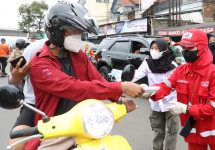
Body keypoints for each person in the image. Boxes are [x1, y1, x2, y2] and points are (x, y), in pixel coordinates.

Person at [25, 2, 144, 150]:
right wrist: (121, 86)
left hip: (86, 124)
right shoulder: (40, 64)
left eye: (80, 32)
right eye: (74, 31)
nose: (79, 36)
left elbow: (97, 79)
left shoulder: (78, 55)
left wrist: (119, 98)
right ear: (57, 31)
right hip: (56, 132)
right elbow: (75, 88)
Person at [151, 29, 215, 150]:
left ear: (203, 48)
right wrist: (147, 90)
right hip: (194, 129)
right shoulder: (181, 71)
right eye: (183, 48)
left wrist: (186, 109)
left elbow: (214, 107)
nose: (185, 52)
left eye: (189, 48)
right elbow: (164, 87)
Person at [132, 38, 179, 150]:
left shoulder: (172, 65)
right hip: (155, 103)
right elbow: (136, 75)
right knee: (158, 131)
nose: (154, 51)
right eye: (152, 48)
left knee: (172, 131)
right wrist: (122, 82)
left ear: (164, 49)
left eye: (157, 48)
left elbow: (177, 82)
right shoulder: (147, 63)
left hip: (171, 102)